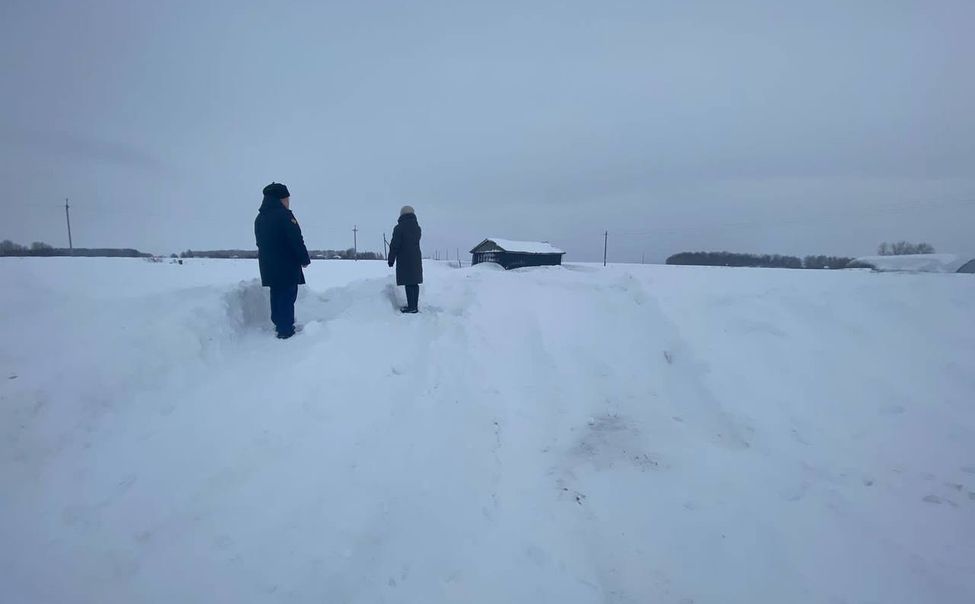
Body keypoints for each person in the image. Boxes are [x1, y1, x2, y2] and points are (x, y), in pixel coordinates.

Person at [255, 182, 310, 338]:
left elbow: (259, 243)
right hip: (286, 265)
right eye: (286, 198)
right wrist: (304, 258)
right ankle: (285, 331)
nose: (288, 202)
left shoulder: (260, 218)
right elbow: (296, 239)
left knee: (277, 294)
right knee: (287, 295)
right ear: (280, 199)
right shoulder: (285, 215)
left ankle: (279, 324)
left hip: (269, 266)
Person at [387, 205, 423, 313]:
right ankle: (414, 306)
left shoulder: (399, 228)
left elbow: (395, 244)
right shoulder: (417, 228)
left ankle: (411, 308)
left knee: (408, 282)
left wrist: (391, 259)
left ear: (402, 214)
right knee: (414, 282)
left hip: (404, 258)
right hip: (416, 258)